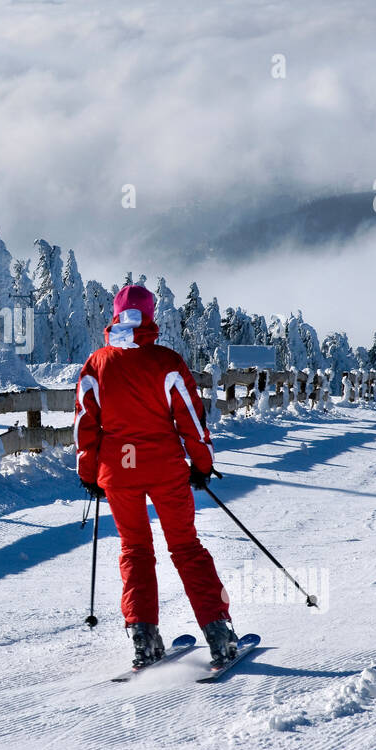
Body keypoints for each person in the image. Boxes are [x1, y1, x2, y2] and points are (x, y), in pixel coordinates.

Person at [73, 283, 238, 669]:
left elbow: (84, 424)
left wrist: (89, 473)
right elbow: (192, 421)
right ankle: (217, 633)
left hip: (118, 474)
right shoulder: (166, 362)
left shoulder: (96, 364)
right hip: (165, 470)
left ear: (115, 316)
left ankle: (143, 638)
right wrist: (201, 464)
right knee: (186, 547)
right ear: (149, 316)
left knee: (135, 550)